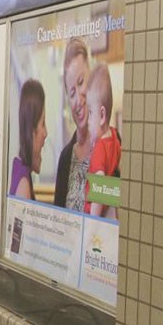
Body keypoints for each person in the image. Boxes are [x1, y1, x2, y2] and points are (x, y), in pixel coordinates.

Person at [54, 38, 94, 210]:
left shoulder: (112, 146)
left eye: (81, 82)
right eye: (71, 93)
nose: (78, 99)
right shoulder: (65, 158)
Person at [83, 66, 121, 217]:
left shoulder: (100, 147)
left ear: (102, 115)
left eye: (91, 112)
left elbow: (99, 183)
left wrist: (93, 222)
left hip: (94, 215)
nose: (88, 120)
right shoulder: (114, 138)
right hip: (110, 212)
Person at [10, 79, 47, 199]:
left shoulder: (21, 172)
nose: (46, 133)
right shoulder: (23, 184)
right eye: (43, 123)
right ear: (31, 130)